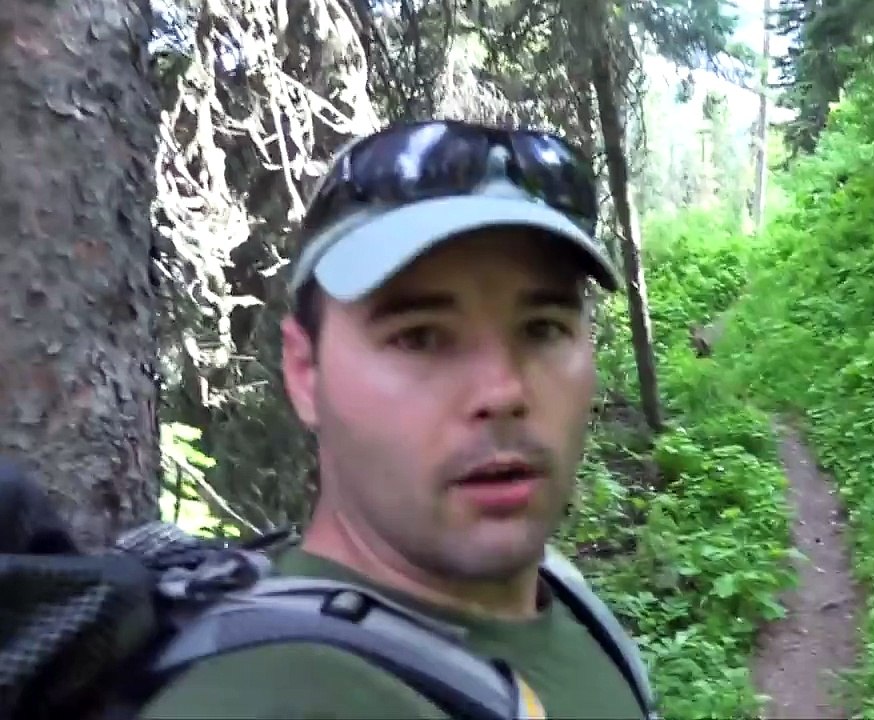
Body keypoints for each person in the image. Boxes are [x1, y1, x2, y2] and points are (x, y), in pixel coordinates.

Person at [138, 119, 647, 719]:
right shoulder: (267, 697)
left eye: (542, 329)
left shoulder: (565, 597)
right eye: (421, 338)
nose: (504, 392)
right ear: (306, 373)